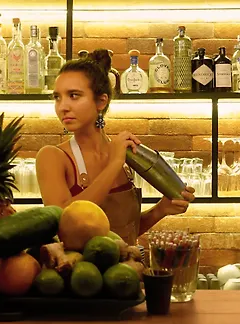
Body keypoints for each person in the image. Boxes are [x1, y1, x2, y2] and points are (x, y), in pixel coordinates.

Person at [36, 50, 195, 245]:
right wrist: (114, 163)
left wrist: (160, 210)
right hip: (81, 265)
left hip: (129, 263)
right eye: (57, 97)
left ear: (101, 101)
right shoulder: (53, 157)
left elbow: (125, 232)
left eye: (74, 95)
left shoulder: (124, 154)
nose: (62, 107)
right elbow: (65, 223)